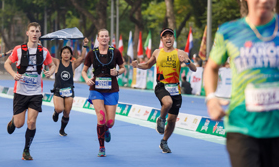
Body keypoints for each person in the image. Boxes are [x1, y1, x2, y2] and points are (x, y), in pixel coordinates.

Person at [204, 0, 279, 167]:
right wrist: (211, 98)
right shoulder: (229, 31)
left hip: (278, 128)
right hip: (241, 125)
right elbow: (211, 67)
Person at [132, 28, 197, 153]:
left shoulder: (180, 53)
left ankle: (164, 141)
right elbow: (147, 65)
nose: (168, 38)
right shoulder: (157, 52)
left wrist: (187, 61)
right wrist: (137, 65)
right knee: (168, 103)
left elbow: (194, 69)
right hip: (161, 86)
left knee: (172, 120)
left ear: (173, 38)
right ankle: (161, 119)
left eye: (170, 36)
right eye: (165, 36)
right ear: (162, 39)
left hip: (175, 89)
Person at [4, 22, 56, 160]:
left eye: (37, 31)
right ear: (27, 33)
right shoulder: (18, 50)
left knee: (31, 123)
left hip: (36, 92)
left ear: (40, 34)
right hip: (20, 91)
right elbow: (6, 63)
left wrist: (50, 72)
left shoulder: (44, 52)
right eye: (32, 31)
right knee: (20, 124)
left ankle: (26, 150)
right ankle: (13, 121)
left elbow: (52, 65)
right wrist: (13, 74)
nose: (34, 33)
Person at [81, 29, 125, 157]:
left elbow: (122, 68)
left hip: (112, 89)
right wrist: (87, 79)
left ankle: (106, 130)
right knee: (101, 118)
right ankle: (101, 147)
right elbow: (84, 71)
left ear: (109, 39)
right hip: (96, 89)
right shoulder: (91, 54)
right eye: (102, 36)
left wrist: (117, 72)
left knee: (110, 122)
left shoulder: (115, 52)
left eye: (106, 36)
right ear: (98, 39)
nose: (104, 38)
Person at [51, 38, 89, 136]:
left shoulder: (73, 64)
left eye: (68, 52)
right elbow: (46, 56)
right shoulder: (57, 62)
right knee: (60, 109)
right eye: (64, 52)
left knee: (67, 112)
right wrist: (39, 46)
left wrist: (84, 45)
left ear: (71, 55)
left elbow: (82, 58)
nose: (66, 54)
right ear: (61, 54)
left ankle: (62, 130)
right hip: (58, 90)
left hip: (69, 91)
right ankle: (56, 112)